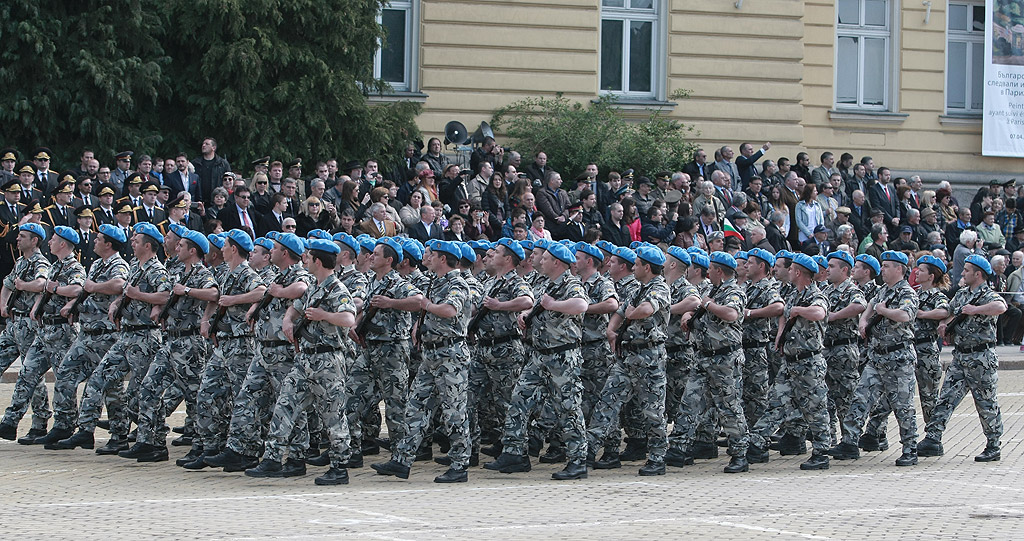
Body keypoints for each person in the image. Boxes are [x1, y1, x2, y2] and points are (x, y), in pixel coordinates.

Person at [247, 238, 358, 486]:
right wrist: (288, 320)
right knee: (285, 405)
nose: (304, 260)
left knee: (333, 415)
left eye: (308, 257)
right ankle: (273, 458)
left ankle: (340, 467)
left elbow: (349, 318)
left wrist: (324, 316)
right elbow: (295, 307)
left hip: (328, 361)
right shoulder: (315, 288)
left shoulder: (337, 289)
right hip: (305, 359)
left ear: (318, 261)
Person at [49, 223, 168, 453]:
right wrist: (117, 302)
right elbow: (122, 292)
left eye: (137, 240)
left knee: (141, 393)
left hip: (143, 337)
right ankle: (85, 430)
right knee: (97, 380)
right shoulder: (135, 266)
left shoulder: (155, 269)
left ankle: (152, 440)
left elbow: (165, 294)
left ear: (147, 245)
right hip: (124, 334)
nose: (132, 242)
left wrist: (137, 295)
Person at [484, 242, 590, 480]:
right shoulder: (543, 283)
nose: (539, 261)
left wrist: (554, 305)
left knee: (568, 408)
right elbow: (532, 305)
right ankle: (515, 454)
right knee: (519, 400)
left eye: (545, 258)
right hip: (539, 355)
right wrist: (524, 316)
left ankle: (577, 460)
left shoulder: (570, 284)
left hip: (562, 356)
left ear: (557, 263)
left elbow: (581, 305)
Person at [372, 241, 474, 483]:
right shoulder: (434, 282)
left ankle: (460, 464)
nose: (426, 257)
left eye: (431, 254)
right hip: (431, 354)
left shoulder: (457, 283)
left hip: (451, 355)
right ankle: (402, 460)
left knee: (453, 411)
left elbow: (450, 310)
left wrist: (426, 306)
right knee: (415, 406)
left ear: (442, 259)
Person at [122, 228, 216, 463]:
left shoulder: (199, 273)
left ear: (192, 251)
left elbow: (214, 293)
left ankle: (202, 445)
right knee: (149, 388)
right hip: (170, 341)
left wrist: (187, 291)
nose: (177, 248)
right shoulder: (178, 273)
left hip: (189, 342)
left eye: (182, 245)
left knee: (195, 395)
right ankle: (150, 442)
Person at [178, 230, 266, 469]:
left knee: (243, 399)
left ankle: (246, 450)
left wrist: (235, 301)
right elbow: (216, 299)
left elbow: (261, 293)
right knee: (207, 392)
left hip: (240, 344)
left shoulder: (246, 272)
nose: (221, 249)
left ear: (234, 249)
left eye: (225, 245)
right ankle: (211, 445)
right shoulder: (227, 274)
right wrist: (207, 318)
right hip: (223, 343)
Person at [829, 251, 920, 467]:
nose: (883, 270)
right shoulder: (882, 291)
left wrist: (884, 310)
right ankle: (849, 443)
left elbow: (905, 316)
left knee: (903, 407)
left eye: (887, 266)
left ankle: (910, 449)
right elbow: (869, 306)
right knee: (860, 399)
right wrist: (863, 321)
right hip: (877, 357)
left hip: (899, 358)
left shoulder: (907, 293)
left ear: (899, 269)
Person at [588, 244, 671, 476]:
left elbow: (645, 310)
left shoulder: (659, 288)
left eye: (637, 264)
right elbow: (621, 311)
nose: (633, 268)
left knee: (652, 411)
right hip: (627, 357)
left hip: (650, 358)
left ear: (647, 267)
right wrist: (611, 331)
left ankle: (657, 457)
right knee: (606, 402)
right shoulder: (639, 290)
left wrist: (632, 313)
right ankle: (588, 450)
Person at [918, 254, 1007, 462]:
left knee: (986, 403)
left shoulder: (987, 295)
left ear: (978, 274)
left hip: (981, 357)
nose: (963, 273)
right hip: (961, 357)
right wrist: (945, 323)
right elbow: (950, 311)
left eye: (967, 270)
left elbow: (1001, 307)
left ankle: (993, 444)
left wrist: (976, 310)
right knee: (945, 398)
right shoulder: (962, 294)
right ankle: (933, 439)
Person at [345, 238, 423, 467]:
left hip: (392, 351)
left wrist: (391, 303)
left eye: (376, 255)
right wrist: (355, 326)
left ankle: (400, 459)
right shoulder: (371, 280)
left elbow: (418, 301)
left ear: (389, 260)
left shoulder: (397, 283)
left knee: (395, 406)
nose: (370, 257)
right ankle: (351, 451)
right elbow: (367, 308)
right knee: (350, 397)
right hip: (369, 349)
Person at [862, 255, 950, 452]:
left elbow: (945, 311)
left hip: (925, 351)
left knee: (928, 397)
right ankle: (874, 432)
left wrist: (922, 314)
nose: (916, 273)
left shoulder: (937, 295)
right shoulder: (912, 292)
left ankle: (932, 439)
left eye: (922, 270)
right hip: (903, 351)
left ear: (931, 275)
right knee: (889, 396)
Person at [675, 251, 750, 473]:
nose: (707, 273)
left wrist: (708, 305)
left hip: (725, 358)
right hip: (703, 356)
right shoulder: (709, 290)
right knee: (689, 401)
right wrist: (687, 317)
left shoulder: (734, 292)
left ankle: (739, 454)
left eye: (710, 269)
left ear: (719, 271)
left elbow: (731, 314)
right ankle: (679, 448)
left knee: (729, 407)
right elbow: (692, 308)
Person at [0, 224, 52, 442]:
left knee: (31, 373)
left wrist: (23, 284)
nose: (17, 239)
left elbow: (42, 284)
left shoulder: (40, 262)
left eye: (22, 237)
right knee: (29, 374)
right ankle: (38, 421)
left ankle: (39, 421)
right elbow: (7, 284)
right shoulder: (21, 262)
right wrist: (3, 304)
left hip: (30, 327)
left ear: (34, 241)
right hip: (13, 324)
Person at [820, 250, 867, 446]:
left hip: (843, 350)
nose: (827, 270)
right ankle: (830, 438)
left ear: (845, 270)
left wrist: (833, 316)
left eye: (832, 267)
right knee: (826, 397)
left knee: (846, 397)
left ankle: (850, 440)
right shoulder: (827, 291)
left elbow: (860, 305)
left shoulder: (851, 290)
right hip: (826, 349)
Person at [740, 248, 785, 428]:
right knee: (743, 395)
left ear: (761, 266)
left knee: (756, 396)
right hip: (741, 347)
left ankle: (758, 440)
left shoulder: (767, 287)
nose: (746, 265)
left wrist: (751, 313)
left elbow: (778, 307)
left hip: (755, 348)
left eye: (750, 262)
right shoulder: (746, 287)